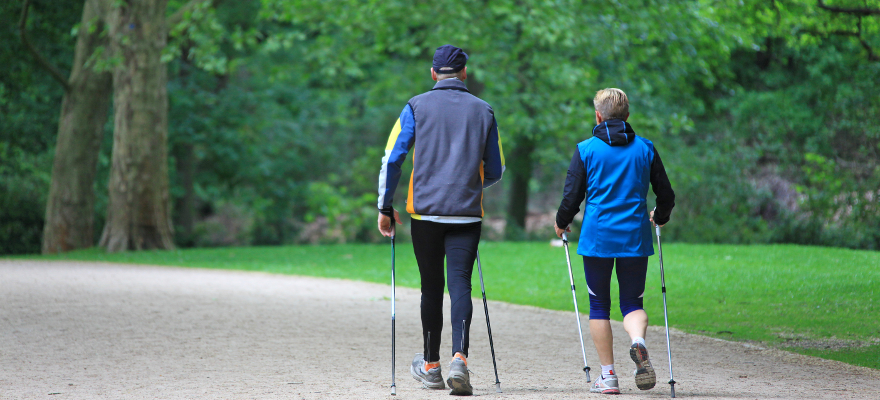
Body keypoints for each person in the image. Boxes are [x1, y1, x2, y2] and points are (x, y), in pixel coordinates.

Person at [376, 44, 505, 396]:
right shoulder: (485, 110)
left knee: (431, 287)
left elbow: (392, 159)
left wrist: (385, 207)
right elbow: (496, 169)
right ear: (465, 73)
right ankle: (459, 358)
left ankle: (431, 367)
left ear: (433, 73)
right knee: (460, 284)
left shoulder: (415, 106)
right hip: (466, 213)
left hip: (425, 213)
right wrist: (471, 182)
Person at [554, 88, 675, 395]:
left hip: (598, 238)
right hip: (634, 237)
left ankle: (608, 377)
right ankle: (638, 342)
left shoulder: (586, 149)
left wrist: (561, 221)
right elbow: (666, 195)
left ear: (598, 116)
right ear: (627, 116)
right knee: (633, 303)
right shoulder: (646, 148)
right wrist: (660, 215)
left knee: (599, 305)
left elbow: (572, 196)